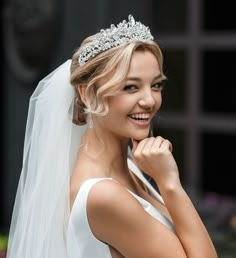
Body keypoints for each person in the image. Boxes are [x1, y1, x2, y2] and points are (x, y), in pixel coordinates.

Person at [6, 14, 218, 258]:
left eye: (156, 85)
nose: (150, 100)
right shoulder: (103, 195)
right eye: (130, 87)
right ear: (86, 94)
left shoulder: (130, 165)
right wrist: (169, 183)